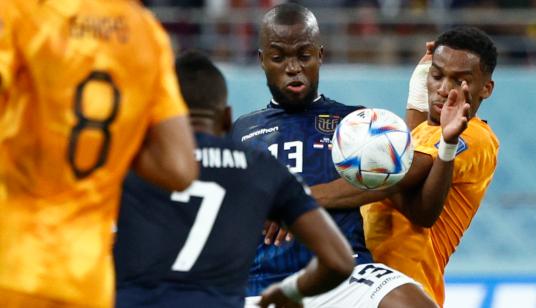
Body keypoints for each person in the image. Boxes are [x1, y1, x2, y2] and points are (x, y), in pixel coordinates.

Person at [231, 3, 469, 307]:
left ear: (320, 55)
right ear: (263, 61)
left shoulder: (358, 124)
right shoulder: (242, 130)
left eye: (304, 56)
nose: (293, 67)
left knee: (411, 301)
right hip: (262, 283)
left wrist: (445, 144)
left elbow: (419, 209)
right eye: (279, 58)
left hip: (347, 276)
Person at [114, 50, 355, 308]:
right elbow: (339, 261)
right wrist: (289, 292)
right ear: (228, 120)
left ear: (161, 116)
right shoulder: (264, 169)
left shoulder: (126, 166)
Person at [0, 1, 198, 307]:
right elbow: (179, 168)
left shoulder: (22, 12)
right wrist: (121, 140)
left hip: (12, 263)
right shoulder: (147, 33)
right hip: (88, 281)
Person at [360, 27, 500, 306]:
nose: (444, 89)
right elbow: (407, 152)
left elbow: (399, 174)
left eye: (459, 80)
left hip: (404, 287)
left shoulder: (474, 135)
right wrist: (416, 94)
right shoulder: (427, 131)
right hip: (367, 283)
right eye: (437, 76)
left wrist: (296, 201)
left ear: (485, 88)